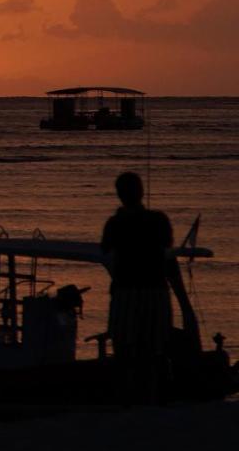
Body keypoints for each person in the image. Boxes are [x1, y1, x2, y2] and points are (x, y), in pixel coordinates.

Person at [100, 171, 173, 402]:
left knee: (124, 349)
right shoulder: (158, 220)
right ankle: (150, 397)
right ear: (141, 193)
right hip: (155, 291)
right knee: (151, 350)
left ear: (119, 195)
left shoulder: (115, 223)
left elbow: (105, 249)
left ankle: (127, 399)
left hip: (126, 291)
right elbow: (167, 246)